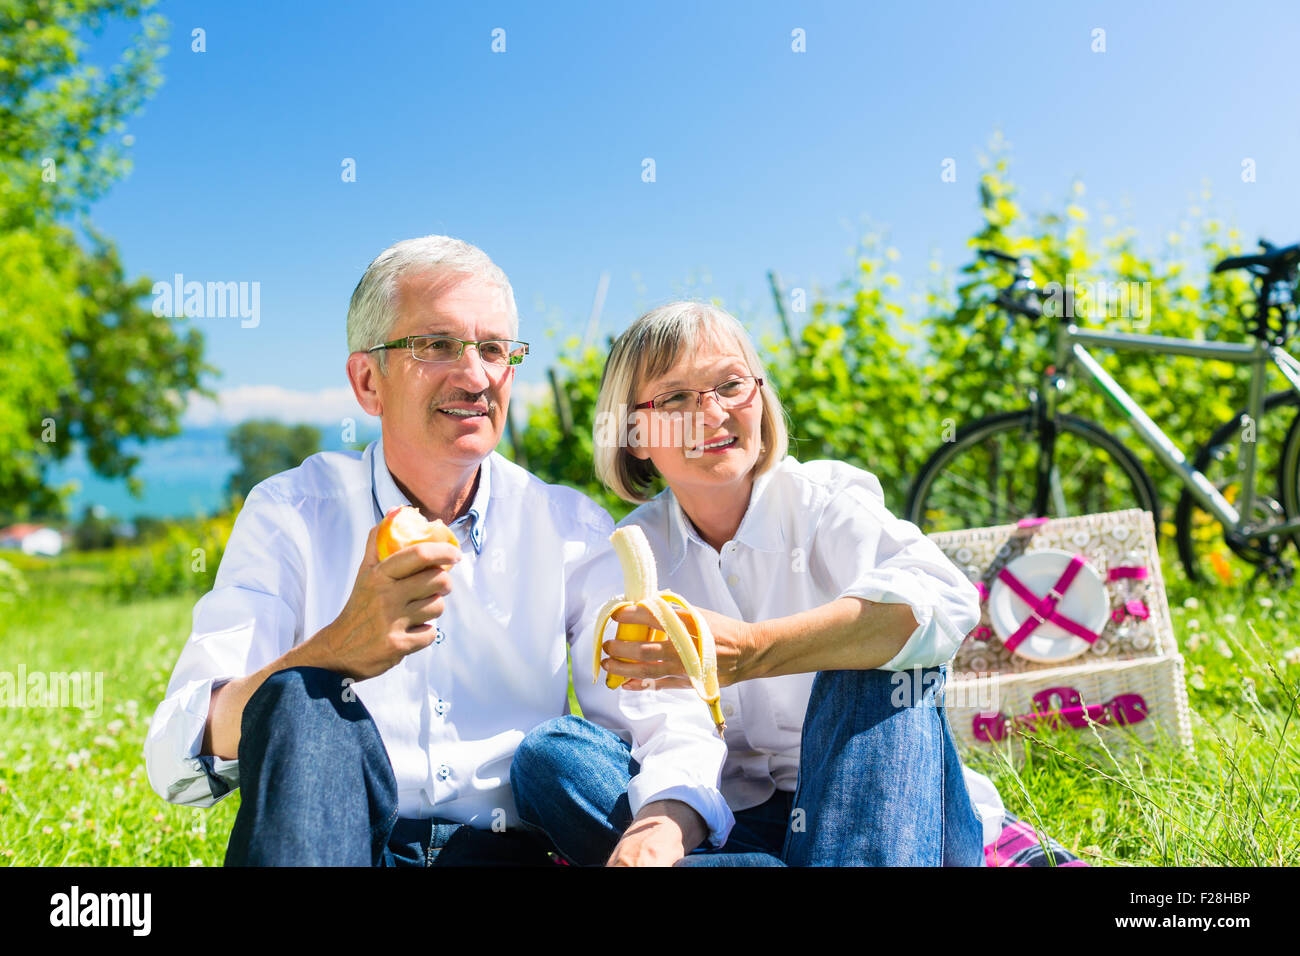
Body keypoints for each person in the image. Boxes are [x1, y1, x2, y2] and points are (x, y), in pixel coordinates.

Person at [143, 239, 735, 866]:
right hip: (348, 844)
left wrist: (656, 834)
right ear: (368, 381)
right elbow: (177, 747)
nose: (476, 376)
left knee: (560, 758)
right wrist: (334, 651)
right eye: (438, 346)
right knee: (302, 700)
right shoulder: (291, 510)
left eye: (494, 350)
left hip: (515, 853)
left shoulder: (567, 526)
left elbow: (666, 717)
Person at [510, 300, 1004, 866]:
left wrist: (753, 650)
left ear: (761, 399)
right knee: (553, 757)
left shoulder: (824, 500)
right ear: (635, 436)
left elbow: (943, 598)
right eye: (674, 398)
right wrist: (663, 829)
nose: (711, 413)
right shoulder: (625, 558)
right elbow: (668, 733)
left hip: (879, 806)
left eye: (730, 384)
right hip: (727, 823)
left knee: (875, 656)